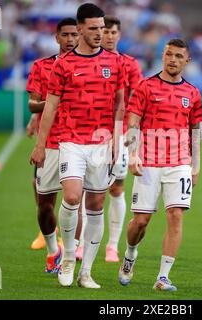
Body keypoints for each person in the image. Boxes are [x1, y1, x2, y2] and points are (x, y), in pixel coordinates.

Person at [30, 3, 125, 289]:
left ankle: (87, 272)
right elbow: (49, 109)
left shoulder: (115, 63)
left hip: (102, 144)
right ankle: (68, 258)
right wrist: (40, 145)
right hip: (70, 141)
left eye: (102, 28)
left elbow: (119, 105)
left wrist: (117, 141)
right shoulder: (63, 65)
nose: (100, 33)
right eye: (94, 28)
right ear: (80, 28)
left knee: (95, 204)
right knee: (71, 198)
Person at [118, 38, 202, 291]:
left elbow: (195, 133)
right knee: (141, 221)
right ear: (163, 56)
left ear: (187, 61)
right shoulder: (146, 86)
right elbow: (133, 122)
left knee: (175, 216)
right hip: (149, 161)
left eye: (179, 56)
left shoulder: (193, 93)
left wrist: (195, 167)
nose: (173, 60)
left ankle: (163, 277)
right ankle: (130, 254)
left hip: (179, 163)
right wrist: (132, 154)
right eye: (169, 55)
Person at [76, 15, 143, 263]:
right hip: (90, 135)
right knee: (87, 189)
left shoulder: (129, 64)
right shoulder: (85, 59)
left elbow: (136, 100)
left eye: (115, 32)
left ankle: (112, 246)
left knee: (116, 188)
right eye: (107, 32)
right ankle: (82, 243)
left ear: (119, 35)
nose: (110, 36)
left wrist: (132, 136)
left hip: (120, 134)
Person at [26, 17, 80, 273]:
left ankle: (71, 255)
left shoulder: (89, 68)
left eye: (74, 35)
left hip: (80, 142)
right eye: (65, 35)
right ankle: (52, 250)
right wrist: (56, 101)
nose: (70, 39)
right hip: (50, 144)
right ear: (56, 37)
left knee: (75, 200)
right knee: (45, 204)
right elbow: (32, 104)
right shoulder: (41, 66)